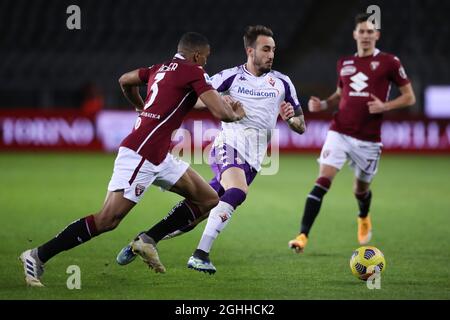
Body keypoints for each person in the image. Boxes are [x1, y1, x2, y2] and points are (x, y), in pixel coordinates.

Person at [19, 32, 245, 287]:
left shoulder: (158, 69)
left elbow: (124, 80)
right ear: (196, 56)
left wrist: (140, 105)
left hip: (159, 154)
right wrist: (234, 114)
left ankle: (147, 240)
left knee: (208, 199)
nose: (205, 63)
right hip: (141, 154)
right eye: (205, 58)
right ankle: (38, 255)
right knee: (108, 220)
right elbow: (220, 112)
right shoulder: (194, 71)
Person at [116, 25, 306, 274]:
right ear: (251, 51)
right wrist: (216, 101)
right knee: (237, 191)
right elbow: (191, 99)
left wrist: (292, 120)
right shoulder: (230, 76)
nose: (271, 54)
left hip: (254, 160)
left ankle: (145, 239)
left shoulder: (282, 82)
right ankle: (200, 255)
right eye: (266, 49)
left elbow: (301, 125)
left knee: (199, 211)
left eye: (273, 49)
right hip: (228, 147)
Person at [288, 13, 416, 253]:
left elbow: (410, 97)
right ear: (355, 34)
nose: (366, 36)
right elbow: (340, 95)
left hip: (368, 140)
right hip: (339, 131)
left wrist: (384, 106)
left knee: (360, 190)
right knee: (323, 180)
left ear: (376, 35)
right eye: (362, 31)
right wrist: (323, 105)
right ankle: (302, 235)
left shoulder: (390, 62)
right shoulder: (344, 63)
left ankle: (363, 215)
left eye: (370, 32)